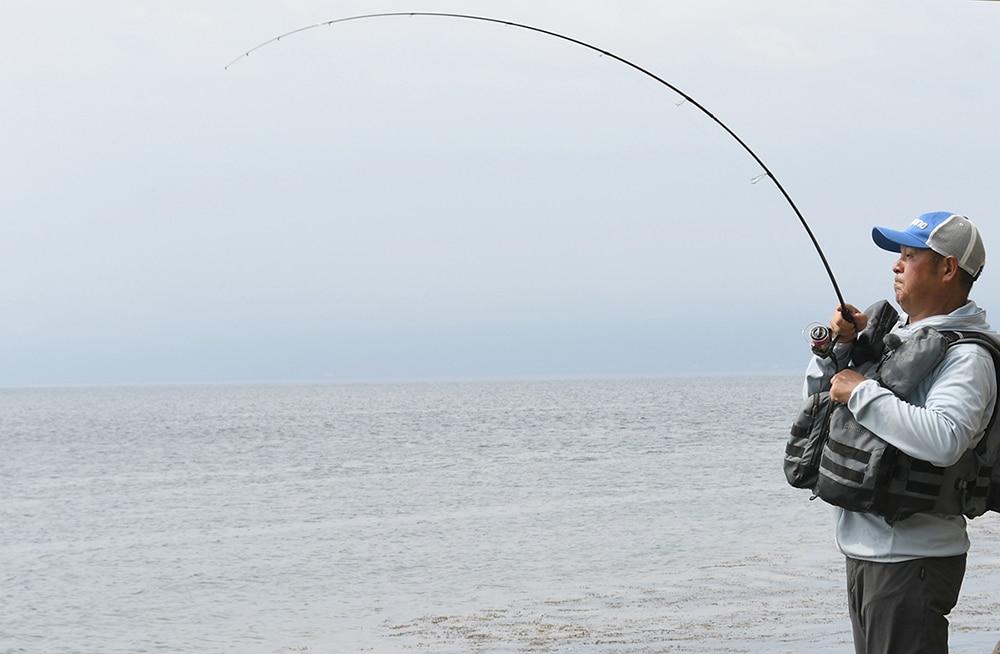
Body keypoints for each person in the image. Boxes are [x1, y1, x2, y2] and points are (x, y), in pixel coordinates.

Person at [803, 211, 998, 654]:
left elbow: (945, 440)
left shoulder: (967, 356)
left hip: (913, 561)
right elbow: (821, 403)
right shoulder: (898, 340)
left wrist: (862, 392)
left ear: (948, 269)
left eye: (910, 255)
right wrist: (837, 351)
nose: (896, 265)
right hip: (866, 555)